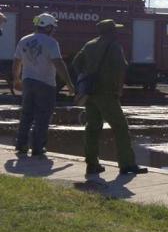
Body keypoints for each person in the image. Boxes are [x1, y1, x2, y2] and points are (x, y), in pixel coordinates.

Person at [72, 19, 148, 176]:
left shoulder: (89, 44)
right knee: (120, 127)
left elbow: (76, 63)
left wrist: (86, 76)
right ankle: (127, 164)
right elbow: (121, 69)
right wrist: (119, 89)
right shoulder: (114, 46)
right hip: (106, 93)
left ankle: (92, 164)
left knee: (92, 128)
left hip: (90, 93)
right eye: (115, 30)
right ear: (111, 32)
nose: (117, 33)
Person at [13, 13, 75, 156]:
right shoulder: (51, 42)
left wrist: (16, 79)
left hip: (28, 82)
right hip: (46, 84)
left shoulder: (24, 40)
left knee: (26, 114)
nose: (54, 30)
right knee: (43, 116)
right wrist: (69, 84)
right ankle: (38, 148)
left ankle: (21, 145)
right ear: (47, 27)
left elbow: (17, 62)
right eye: (53, 27)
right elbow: (59, 64)